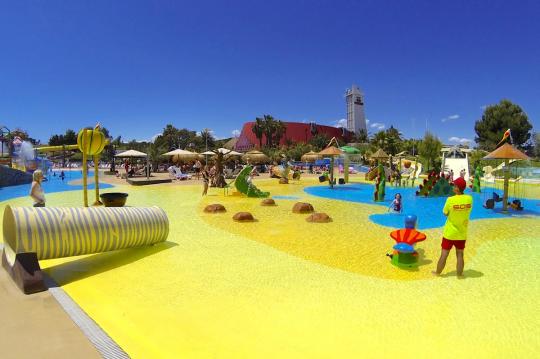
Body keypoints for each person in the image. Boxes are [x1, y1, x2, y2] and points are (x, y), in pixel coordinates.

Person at [433, 177, 472, 278]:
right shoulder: (469, 199)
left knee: (444, 255)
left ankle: (437, 273)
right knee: (460, 255)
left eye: (454, 185)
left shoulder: (450, 200)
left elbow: (445, 213)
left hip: (449, 233)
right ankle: (459, 275)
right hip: (462, 233)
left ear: (457, 188)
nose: (453, 187)